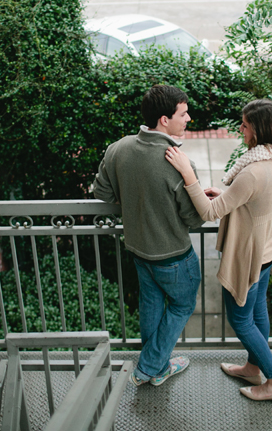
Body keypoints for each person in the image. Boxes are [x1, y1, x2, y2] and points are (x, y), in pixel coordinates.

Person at [164, 99, 272, 402]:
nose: (241, 128)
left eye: (245, 124)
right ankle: (254, 368)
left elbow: (210, 212)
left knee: (240, 319)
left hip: (249, 256)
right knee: (257, 311)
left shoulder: (254, 170)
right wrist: (228, 194)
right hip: (266, 251)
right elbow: (254, 198)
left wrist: (189, 176)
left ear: (259, 129)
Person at [93, 84, 204, 387]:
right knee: (182, 305)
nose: (189, 118)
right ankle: (149, 368)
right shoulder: (178, 162)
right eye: (183, 113)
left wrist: (135, 197)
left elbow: (101, 191)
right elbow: (194, 218)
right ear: (164, 120)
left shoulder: (119, 148)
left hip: (139, 250)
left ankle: (158, 366)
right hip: (174, 256)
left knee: (152, 306)